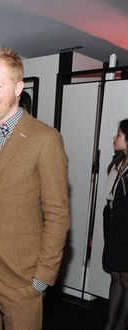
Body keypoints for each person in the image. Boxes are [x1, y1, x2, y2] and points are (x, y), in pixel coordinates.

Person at [0, 47, 70, 330]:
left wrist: (42, 277)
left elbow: (57, 214)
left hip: (21, 279)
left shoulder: (44, 139)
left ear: (18, 88)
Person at [103, 118, 128, 330]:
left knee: (127, 278)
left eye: (119, 135)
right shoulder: (117, 162)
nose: (114, 138)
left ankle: (122, 322)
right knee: (115, 275)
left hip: (126, 231)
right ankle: (110, 322)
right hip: (114, 227)